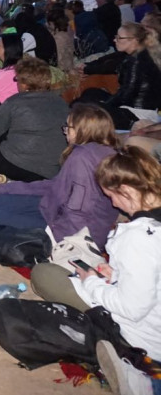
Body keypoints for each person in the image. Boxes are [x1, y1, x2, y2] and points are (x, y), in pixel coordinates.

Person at [27, 147, 161, 392]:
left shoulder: (139, 239)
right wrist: (116, 275)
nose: (113, 202)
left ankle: (135, 371)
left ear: (128, 191)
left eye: (112, 195)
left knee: (45, 275)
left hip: (146, 336)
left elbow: (132, 309)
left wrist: (91, 280)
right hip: (151, 312)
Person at [0, 103, 120, 249]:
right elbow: (53, 186)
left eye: (68, 127)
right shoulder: (106, 152)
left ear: (82, 131)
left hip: (69, 230)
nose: (65, 132)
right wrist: (1, 189)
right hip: (55, 208)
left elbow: (79, 210)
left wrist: (57, 239)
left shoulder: (82, 158)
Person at [0, 57, 70, 183]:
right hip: (51, 171)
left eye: (17, 79)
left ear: (24, 84)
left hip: (18, 167)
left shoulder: (15, 102)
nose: (16, 83)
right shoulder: (61, 102)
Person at [79, 22, 161, 130]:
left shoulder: (136, 61)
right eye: (116, 37)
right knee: (90, 93)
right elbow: (110, 64)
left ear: (134, 40)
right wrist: (88, 67)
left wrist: (106, 105)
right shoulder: (139, 54)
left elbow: (127, 94)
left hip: (137, 114)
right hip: (138, 107)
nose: (115, 40)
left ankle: (129, 125)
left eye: (119, 38)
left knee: (86, 106)